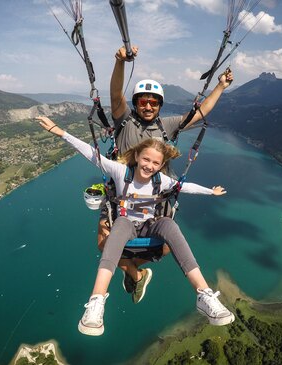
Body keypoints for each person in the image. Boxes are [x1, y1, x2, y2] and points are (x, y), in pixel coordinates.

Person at [36, 116, 235, 336]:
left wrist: (210, 191)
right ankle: (97, 302)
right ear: (137, 156)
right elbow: (92, 155)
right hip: (127, 226)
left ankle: (204, 294)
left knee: (169, 225)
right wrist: (61, 132)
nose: (150, 166)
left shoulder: (162, 181)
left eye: (156, 163)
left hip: (151, 226)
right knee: (120, 223)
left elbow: (185, 187)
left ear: (161, 165)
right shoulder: (121, 172)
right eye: (146, 159)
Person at [97, 45, 234, 302]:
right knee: (104, 242)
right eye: (142, 101)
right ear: (136, 103)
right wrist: (120, 63)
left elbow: (199, 113)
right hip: (122, 194)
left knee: (167, 246)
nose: (148, 106)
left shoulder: (166, 125)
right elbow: (116, 96)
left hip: (156, 195)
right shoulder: (124, 119)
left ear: (159, 105)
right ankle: (135, 273)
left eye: (153, 102)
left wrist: (221, 87)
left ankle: (133, 269)